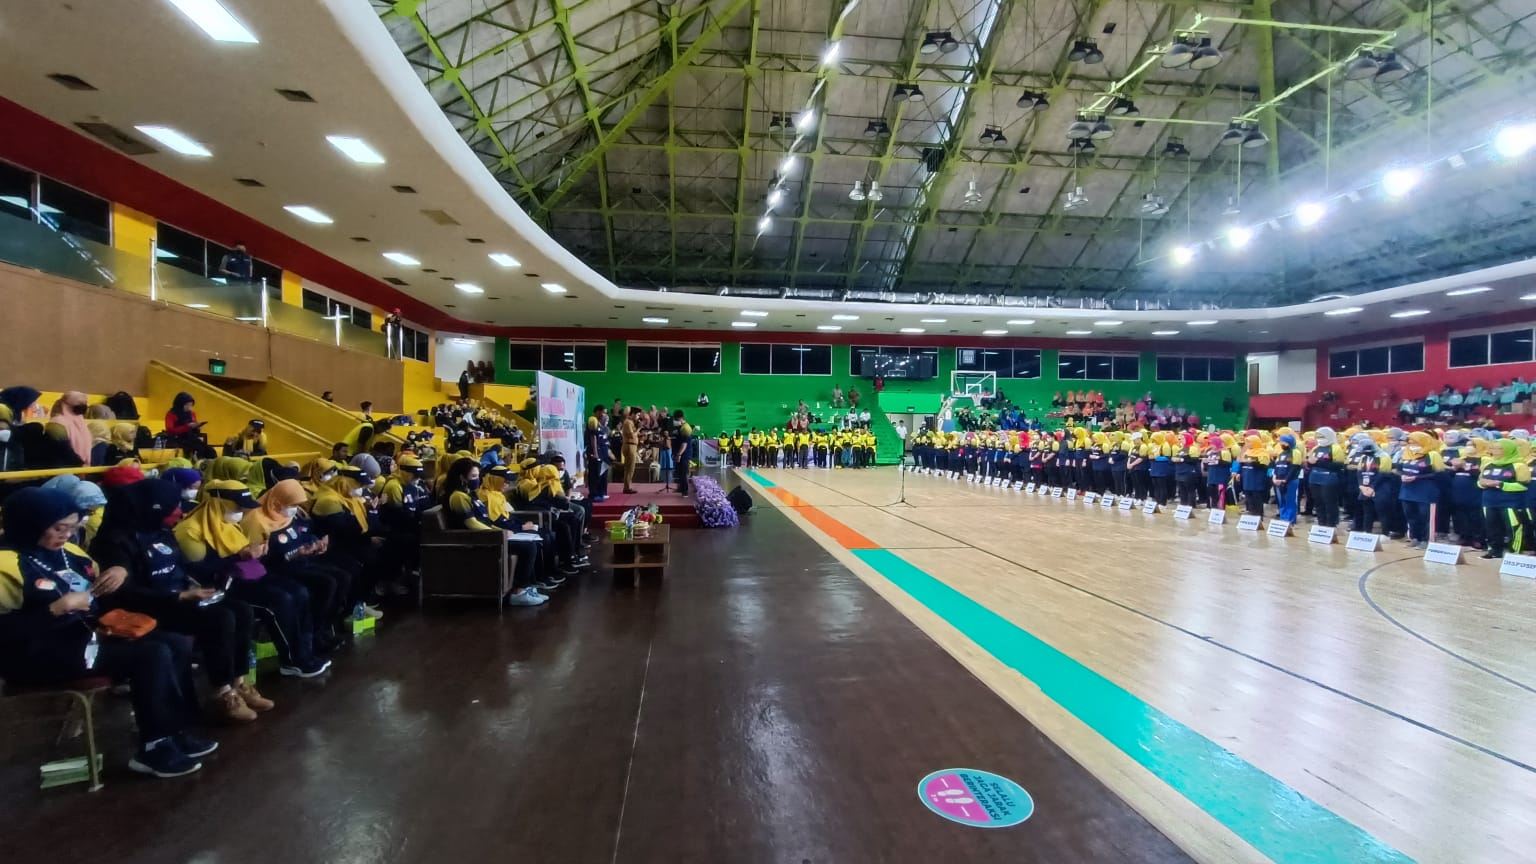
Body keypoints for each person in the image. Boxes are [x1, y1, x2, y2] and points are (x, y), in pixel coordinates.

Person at [0, 487, 215, 778]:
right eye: (59, 528)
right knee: (151, 654)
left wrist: (119, 572)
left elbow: (98, 591)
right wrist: (54, 610)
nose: (67, 535)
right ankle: (154, 747)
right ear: (31, 524)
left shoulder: (71, 553)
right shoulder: (7, 565)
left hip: (85, 637)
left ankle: (175, 730)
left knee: (173, 643)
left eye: (72, 527)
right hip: (35, 653)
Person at [90, 478, 271, 723]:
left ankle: (239, 682)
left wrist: (197, 585)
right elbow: (123, 593)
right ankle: (222, 692)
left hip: (179, 597)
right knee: (220, 618)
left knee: (242, 610)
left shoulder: (162, 532)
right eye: (170, 507)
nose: (177, 511)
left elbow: (182, 567)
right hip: (147, 606)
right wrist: (179, 596)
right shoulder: (114, 542)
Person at [174, 479, 330, 678]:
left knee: (299, 591)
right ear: (220, 503)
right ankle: (293, 660)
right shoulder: (191, 530)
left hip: (244, 576)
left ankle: (306, 651)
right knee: (280, 600)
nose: (242, 512)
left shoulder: (226, 523)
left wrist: (256, 553)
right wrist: (241, 556)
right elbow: (200, 572)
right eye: (238, 507)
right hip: (220, 587)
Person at [441, 458, 548, 604]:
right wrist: (499, 534)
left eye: (478, 476)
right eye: (473, 476)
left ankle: (527, 587)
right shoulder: (457, 496)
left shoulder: (470, 494)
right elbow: (472, 523)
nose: (477, 480)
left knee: (533, 541)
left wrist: (500, 530)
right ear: (462, 477)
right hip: (479, 540)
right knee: (528, 548)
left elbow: (486, 520)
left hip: (490, 535)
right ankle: (518, 593)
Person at [164, 392, 210, 458]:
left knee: (210, 451)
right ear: (180, 404)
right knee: (197, 448)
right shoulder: (171, 414)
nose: (189, 407)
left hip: (191, 437)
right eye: (187, 405)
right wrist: (187, 427)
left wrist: (197, 427)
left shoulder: (192, 414)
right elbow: (170, 430)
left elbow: (194, 427)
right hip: (178, 439)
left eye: (191, 405)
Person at [671, 410, 692, 495]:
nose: (675, 421)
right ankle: (680, 488)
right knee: (679, 472)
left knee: (683, 472)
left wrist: (679, 454)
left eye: (676, 419)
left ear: (681, 418)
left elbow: (684, 444)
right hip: (678, 452)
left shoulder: (685, 428)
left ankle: (685, 491)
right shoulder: (679, 427)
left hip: (684, 454)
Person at [620, 407, 640, 494]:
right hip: (629, 446)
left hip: (631, 446)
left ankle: (627, 486)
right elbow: (632, 435)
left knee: (629, 468)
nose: (638, 417)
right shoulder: (628, 422)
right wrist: (639, 429)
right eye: (637, 415)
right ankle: (627, 488)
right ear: (633, 414)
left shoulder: (631, 422)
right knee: (630, 468)